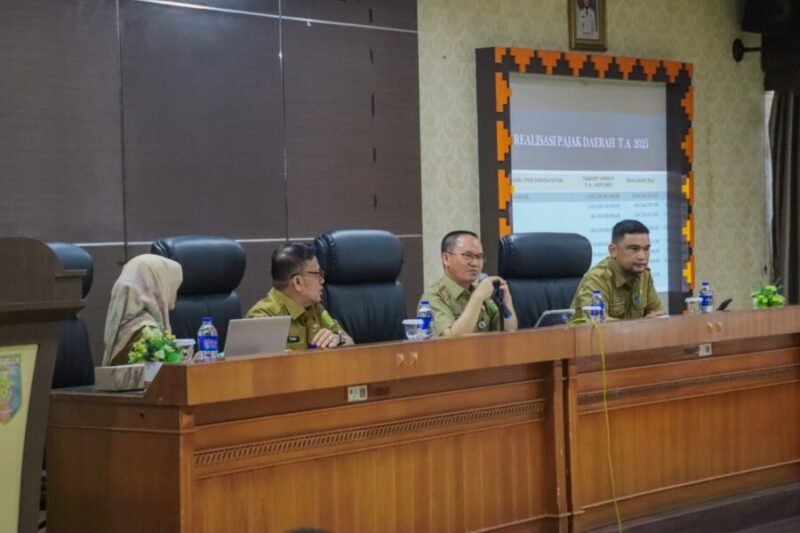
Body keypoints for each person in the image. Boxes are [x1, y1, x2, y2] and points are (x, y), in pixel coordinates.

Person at [246, 242, 353, 350]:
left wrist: (338, 338)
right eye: (317, 274)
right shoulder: (263, 318)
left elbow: (350, 343)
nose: (322, 280)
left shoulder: (315, 307)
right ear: (298, 282)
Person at [421, 230, 518, 337]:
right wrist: (477, 298)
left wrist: (507, 302)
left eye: (479, 257)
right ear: (446, 259)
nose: (475, 263)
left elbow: (510, 334)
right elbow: (451, 340)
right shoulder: (433, 298)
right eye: (468, 256)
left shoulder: (484, 295)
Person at [571, 219, 665, 320]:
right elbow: (599, 323)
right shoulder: (596, 279)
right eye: (634, 249)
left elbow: (659, 315)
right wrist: (643, 323)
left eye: (646, 249)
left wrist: (653, 321)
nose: (642, 256)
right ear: (613, 250)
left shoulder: (644, 275)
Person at [102, 254, 183, 366]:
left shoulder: (125, 323)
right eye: (172, 287)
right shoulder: (145, 330)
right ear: (157, 284)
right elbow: (164, 372)